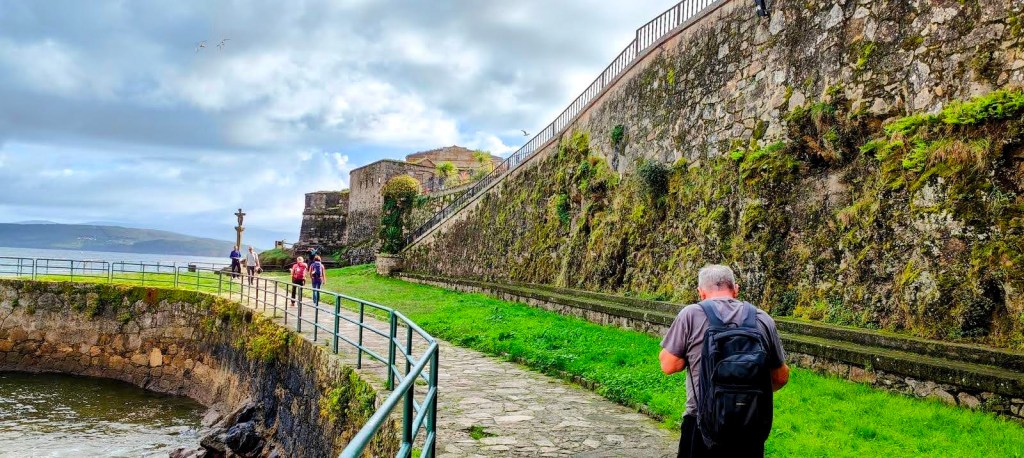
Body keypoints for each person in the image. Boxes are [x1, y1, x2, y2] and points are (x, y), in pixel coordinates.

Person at [659, 264, 790, 458]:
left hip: (701, 422)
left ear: (701, 293)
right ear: (735, 289)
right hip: (750, 423)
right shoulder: (762, 319)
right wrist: (742, 394)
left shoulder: (691, 315)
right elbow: (781, 377)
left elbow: (670, 365)